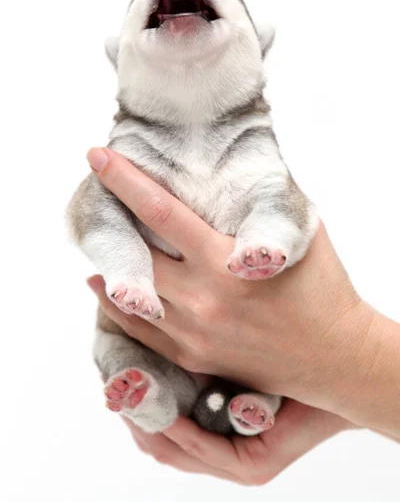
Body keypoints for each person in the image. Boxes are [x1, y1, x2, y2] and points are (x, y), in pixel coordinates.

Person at [86, 147, 400, 486]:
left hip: (243, 375)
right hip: (166, 356)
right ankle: (149, 398)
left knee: (223, 397)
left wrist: (347, 365)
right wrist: (340, 402)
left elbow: (297, 219)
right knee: (128, 368)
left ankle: (175, 398)